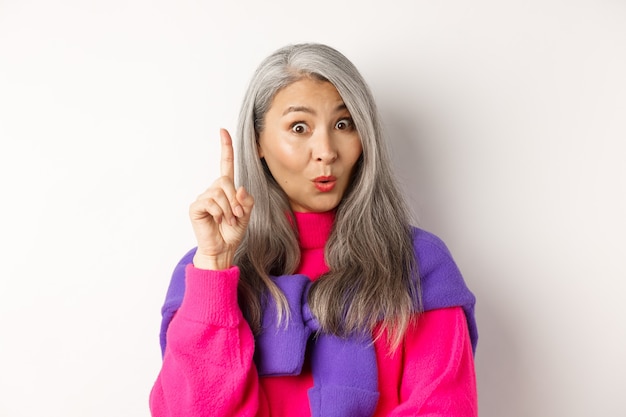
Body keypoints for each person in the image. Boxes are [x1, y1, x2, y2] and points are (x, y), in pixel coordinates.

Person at [150, 43, 478, 417]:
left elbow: (443, 407)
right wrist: (214, 270)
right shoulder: (203, 274)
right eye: (299, 127)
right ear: (257, 142)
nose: (326, 151)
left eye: (343, 124)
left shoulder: (420, 264)